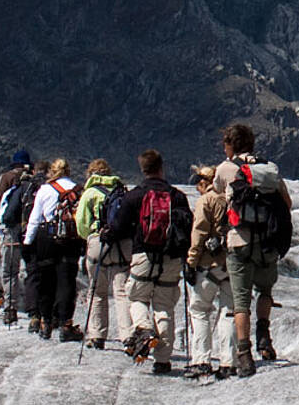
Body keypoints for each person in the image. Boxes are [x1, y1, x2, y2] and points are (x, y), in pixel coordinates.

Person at [100, 149, 192, 374]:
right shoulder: (177, 196)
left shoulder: (135, 196)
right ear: (161, 168)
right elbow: (187, 228)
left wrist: (106, 235)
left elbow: (119, 227)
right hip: (170, 258)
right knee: (164, 306)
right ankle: (163, 359)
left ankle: (144, 328)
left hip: (143, 255)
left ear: (143, 169)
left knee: (137, 297)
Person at [214, 123, 290, 377]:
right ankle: (264, 335)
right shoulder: (269, 169)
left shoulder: (226, 168)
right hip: (267, 241)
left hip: (239, 241)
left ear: (230, 145)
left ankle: (244, 355)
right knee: (265, 290)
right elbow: (286, 202)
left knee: (241, 301)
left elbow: (217, 193)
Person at [24, 158, 84, 341]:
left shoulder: (45, 189)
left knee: (46, 281)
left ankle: (45, 322)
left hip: (47, 238)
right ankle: (66, 324)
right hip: (70, 240)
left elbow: (35, 218)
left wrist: (28, 242)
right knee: (67, 282)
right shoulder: (77, 190)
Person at [184, 164, 234, 378]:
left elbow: (199, 233)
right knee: (228, 311)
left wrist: (191, 261)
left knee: (200, 310)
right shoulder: (232, 199)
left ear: (204, 182)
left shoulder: (206, 200)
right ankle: (229, 360)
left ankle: (202, 360)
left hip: (208, 265)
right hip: (230, 265)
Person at [74, 158, 128, 348]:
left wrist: (89, 236)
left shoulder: (89, 193)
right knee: (121, 291)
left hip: (98, 242)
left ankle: (97, 335)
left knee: (97, 291)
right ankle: (127, 335)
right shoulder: (120, 190)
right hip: (121, 245)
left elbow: (81, 224)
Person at [0, 150, 35, 325]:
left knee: (10, 272)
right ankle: (36, 312)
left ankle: (10, 309)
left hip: (11, 230)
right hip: (32, 228)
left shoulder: (6, 177)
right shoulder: (35, 181)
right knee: (33, 271)